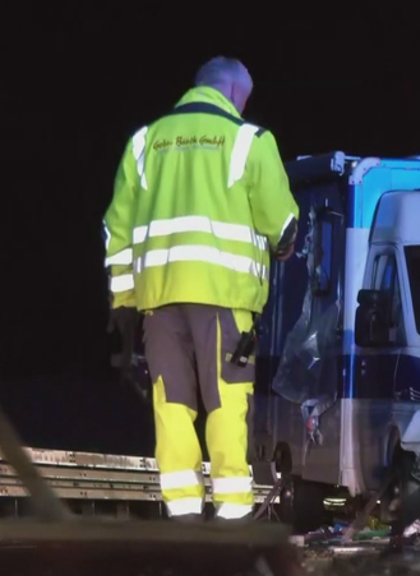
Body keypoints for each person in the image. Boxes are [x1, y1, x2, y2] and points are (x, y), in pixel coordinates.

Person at [103, 57, 301, 521]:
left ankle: (184, 514)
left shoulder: (143, 144)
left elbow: (116, 231)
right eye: (244, 100)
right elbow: (284, 224)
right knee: (225, 402)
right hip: (223, 298)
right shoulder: (248, 141)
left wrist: (125, 304)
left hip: (158, 303)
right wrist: (285, 243)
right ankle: (233, 515)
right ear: (233, 92)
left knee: (171, 405)